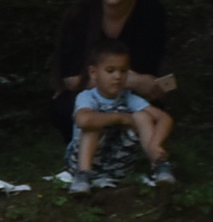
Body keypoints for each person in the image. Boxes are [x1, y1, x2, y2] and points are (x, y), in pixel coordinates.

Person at [50, 0, 173, 126]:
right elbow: (71, 78)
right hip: (89, 93)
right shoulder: (79, 15)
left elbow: (148, 69)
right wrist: (131, 80)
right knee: (67, 107)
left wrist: (137, 83)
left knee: (149, 110)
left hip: (134, 95)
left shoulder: (150, 11)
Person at [68, 43, 176, 193]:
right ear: (93, 73)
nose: (118, 76)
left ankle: (159, 164)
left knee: (142, 116)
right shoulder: (87, 97)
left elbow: (164, 118)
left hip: (119, 164)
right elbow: (83, 120)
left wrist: (155, 144)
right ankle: (83, 176)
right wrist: (121, 118)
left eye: (123, 71)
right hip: (85, 161)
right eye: (110, 71)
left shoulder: (129, 97)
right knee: (93, 122)